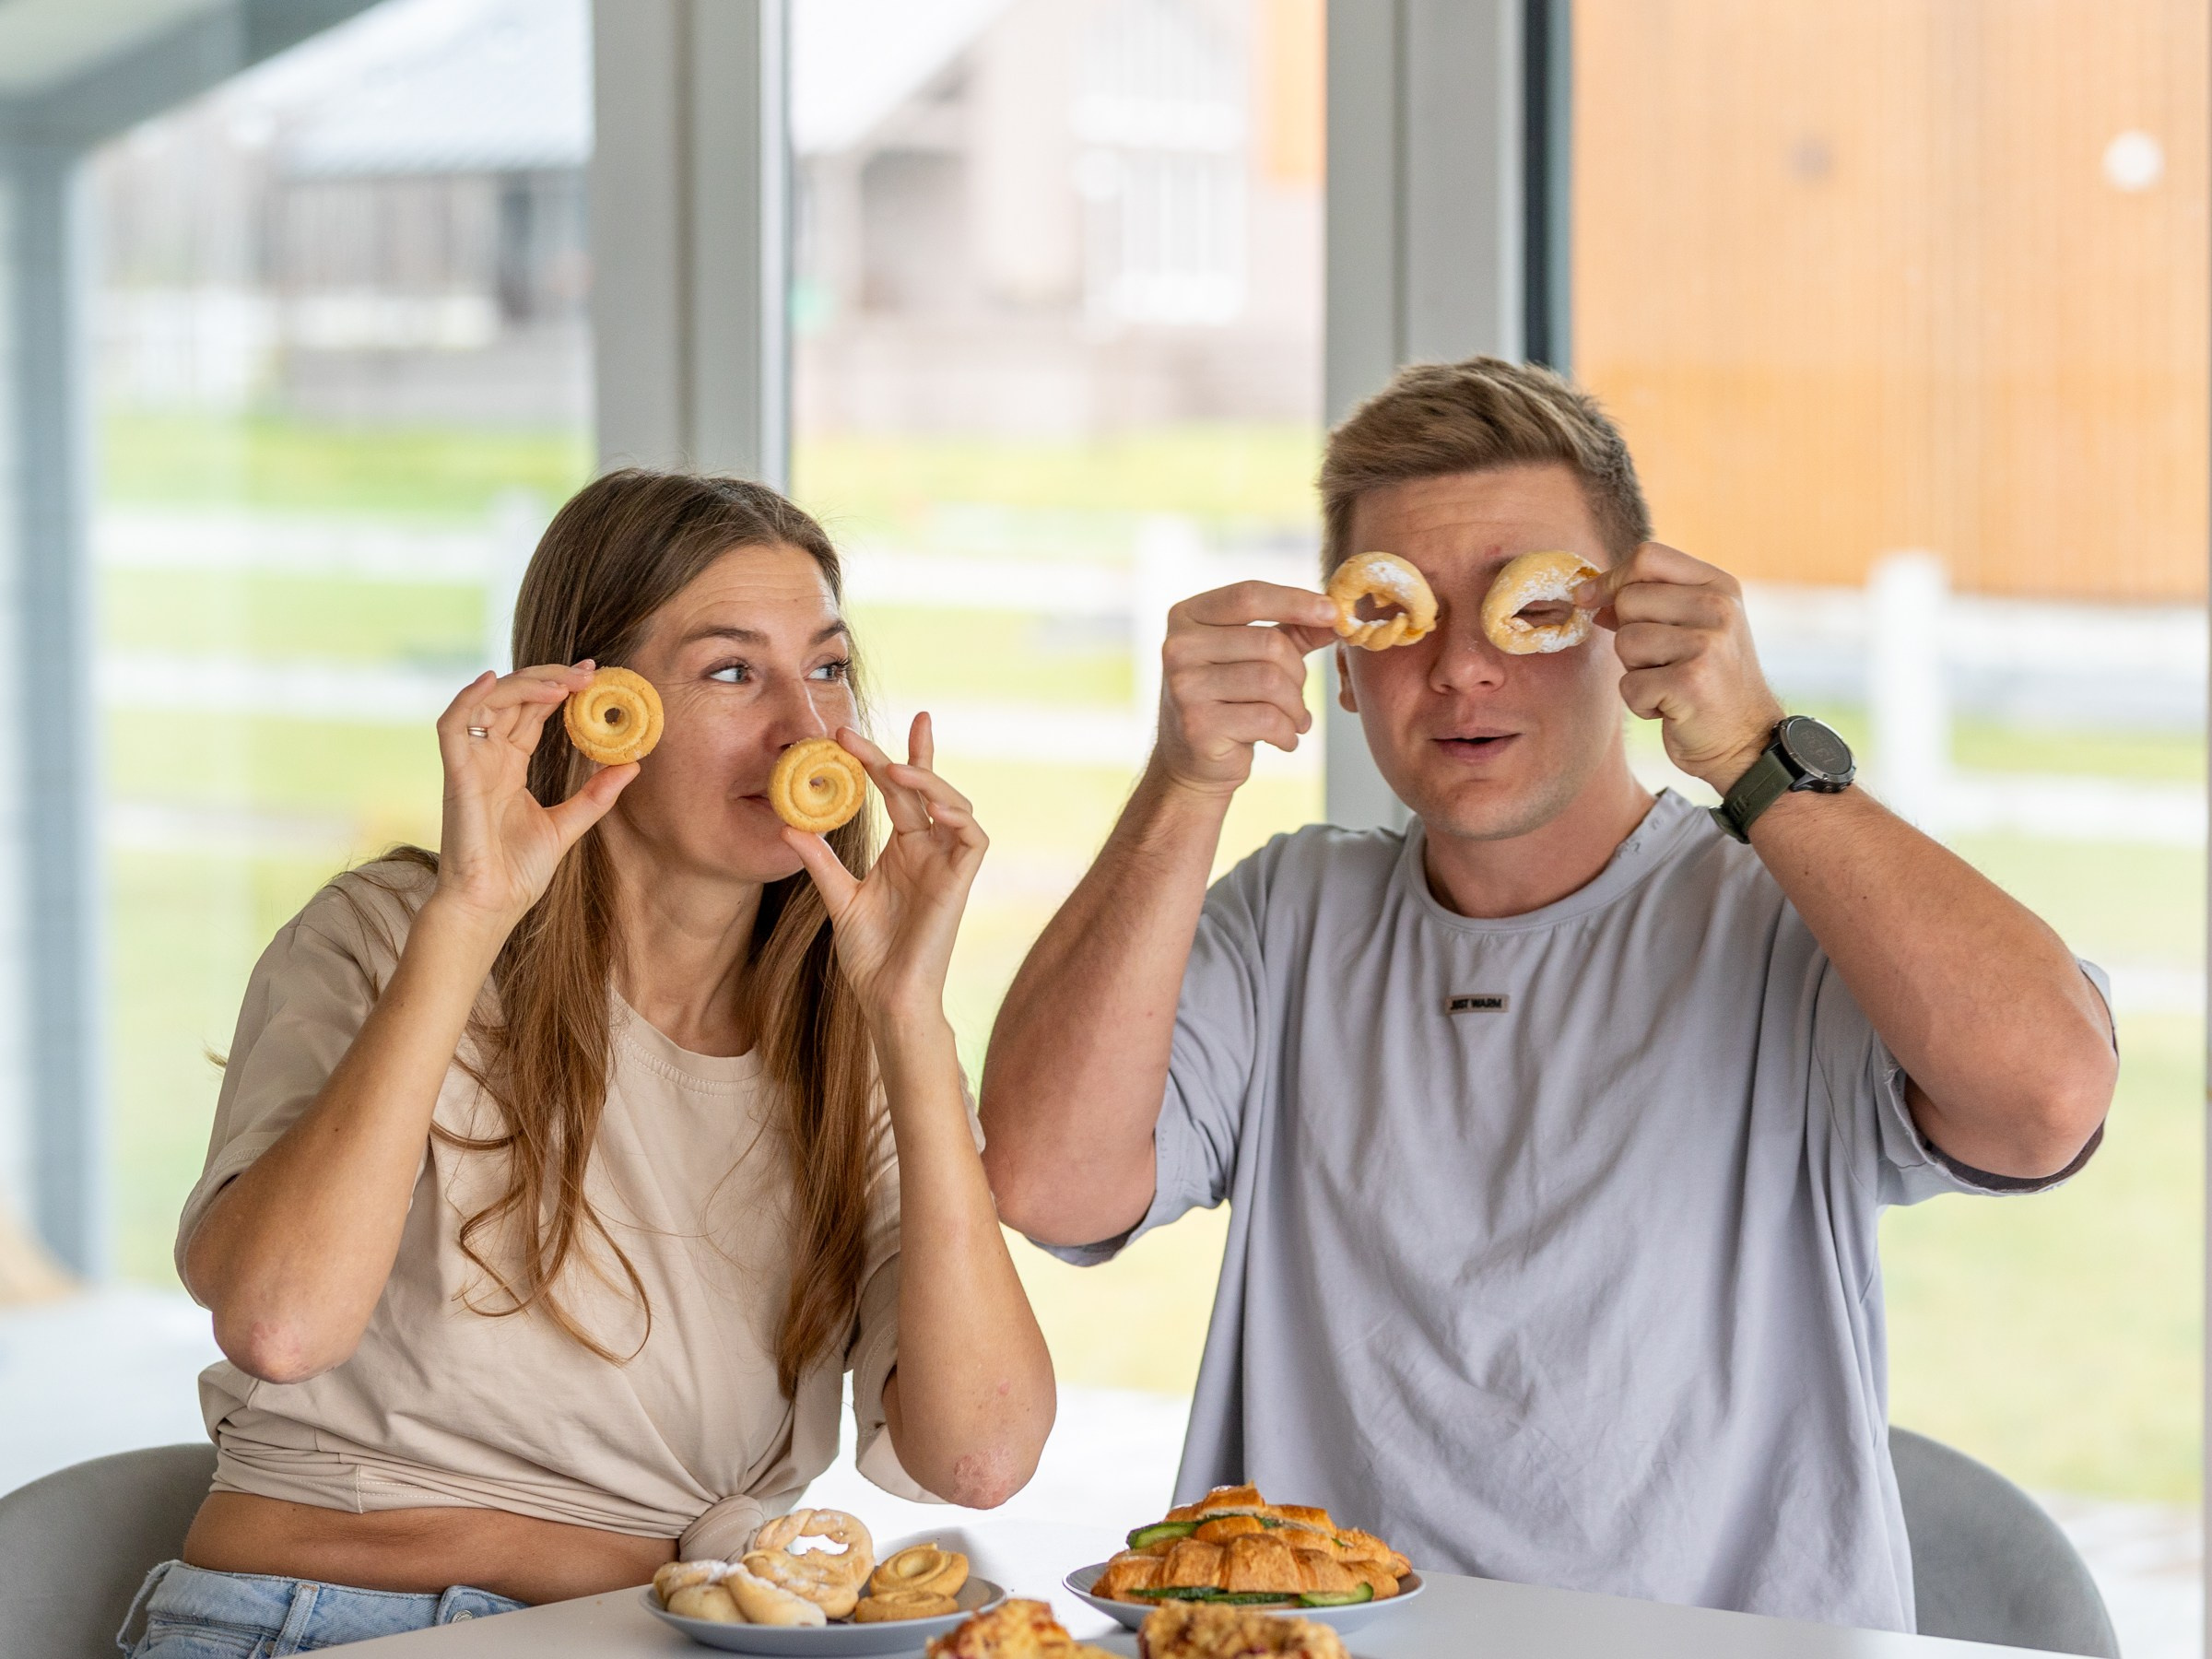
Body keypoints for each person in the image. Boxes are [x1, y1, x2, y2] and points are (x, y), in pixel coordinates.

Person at [979, 358, 2114, 1632]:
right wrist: (1184, 785)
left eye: (1524, 607)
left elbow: (2047, 1099)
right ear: (1345, 667)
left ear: (1626, 630)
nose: (1463, 668)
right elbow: (1047, 1180)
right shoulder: (1289, 919)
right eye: (1405, 617)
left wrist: (1755, 753)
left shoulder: (1782, 916)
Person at [131, 472, 1054, 1654]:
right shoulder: (386, 934)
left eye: (826, 669)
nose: (806, 730)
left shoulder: (854, 1043)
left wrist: (911, 1020)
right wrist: (470, 915)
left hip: (651, 1634)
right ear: (595, 703)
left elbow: (979, 1457)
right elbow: (281, 1328)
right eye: (731, 671)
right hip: (318, 1623)